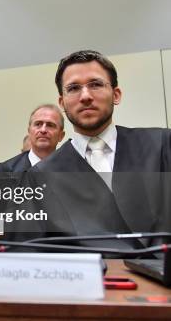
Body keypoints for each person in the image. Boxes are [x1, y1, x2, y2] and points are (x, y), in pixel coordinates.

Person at [28, 50, 171, 249]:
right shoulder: (41, 175)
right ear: (62, 102)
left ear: (116, 94)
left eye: (95, 84)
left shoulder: (161, 145)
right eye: (73, 88)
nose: (85, 96)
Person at [0, 104, 65, 173]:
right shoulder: (5, 170)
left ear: (61, 136)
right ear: (29, 132)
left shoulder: (73, 169)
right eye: (38, 124)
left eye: (50, 125)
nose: (43, 130)